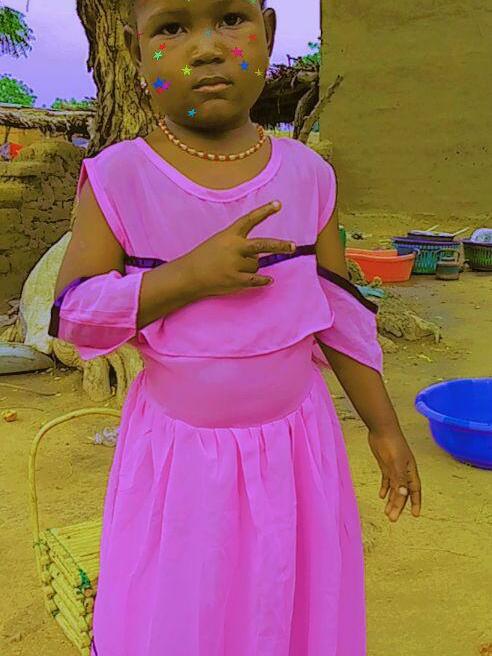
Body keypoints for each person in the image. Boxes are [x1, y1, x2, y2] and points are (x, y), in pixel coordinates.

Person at [50, 0, 422, 654]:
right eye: (173, 27)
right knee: (184, 614)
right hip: (182, 467)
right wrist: (187, 277)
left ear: (268, 33)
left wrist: (384, 427)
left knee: (285, 604)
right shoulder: (119, 179)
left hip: (295, 454)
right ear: (135, 51)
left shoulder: (308, 177)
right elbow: (75, 316)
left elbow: (337, 315)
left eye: (229, 19)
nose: (207, 47)